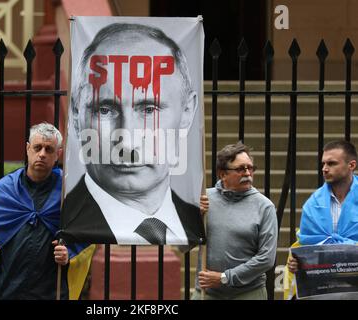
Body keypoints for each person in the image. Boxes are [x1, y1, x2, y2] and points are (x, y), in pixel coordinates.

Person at [60, 22, 205, 246]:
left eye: (149, 110)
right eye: (105, 110)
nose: (126, 142)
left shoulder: (200, 221)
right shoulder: (59, 217)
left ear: (187, 111)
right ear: (77, 114)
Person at [0, 122, 70, 300]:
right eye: (37, 147)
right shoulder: (5, 189)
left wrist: (68, 254)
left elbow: (81, 239)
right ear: (27, 148)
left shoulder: (67, 191)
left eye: (49, 149)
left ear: (58, 154)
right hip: (7, 291)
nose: (42, 154)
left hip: (51, 292)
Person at [193, 142, 278, 300]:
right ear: (222, 174)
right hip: (206, 293)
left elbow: (266, 258)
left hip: (248, 293)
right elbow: (183, 244)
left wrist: (225, 277)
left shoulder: (265, 206)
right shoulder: (204, 200)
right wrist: (195, 218)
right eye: (240, 169)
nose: (247, 173)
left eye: (250, 168)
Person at [287, 140, 358, 274]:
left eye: (331, 163)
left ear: (351, 165)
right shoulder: (312, 204)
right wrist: (297, 264)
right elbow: (306, 248)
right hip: (324, 287)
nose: (324, 168)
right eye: (323, 163)